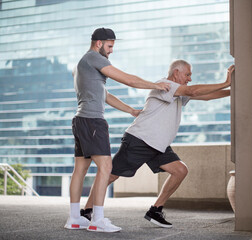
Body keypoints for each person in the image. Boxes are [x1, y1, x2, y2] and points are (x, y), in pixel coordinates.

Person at [82, 59, 235, 228]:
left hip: (158, 145)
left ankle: (155, 210)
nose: (189, 78)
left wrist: (231, 91)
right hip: (140, 140)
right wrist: (225, 82)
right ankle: (87, 211)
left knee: (180, 170)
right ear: (176, 73)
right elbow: (194, 90)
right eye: (187, 74)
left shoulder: (178, 91)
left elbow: (204, 96)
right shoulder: (165, 85)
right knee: (110, 175)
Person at [64, 27, 171, 233]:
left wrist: (130, 110)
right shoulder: (94, 58)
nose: (111, 50)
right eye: (110, 46)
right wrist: (157, 86)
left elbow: (105, 94)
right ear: (99, 43)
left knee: (80, 170)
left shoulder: (82, 65)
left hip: (81, 120)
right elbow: (128, 79)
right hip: (93, 122)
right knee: (106, 167)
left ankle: (74, 218)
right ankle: (98, 220)